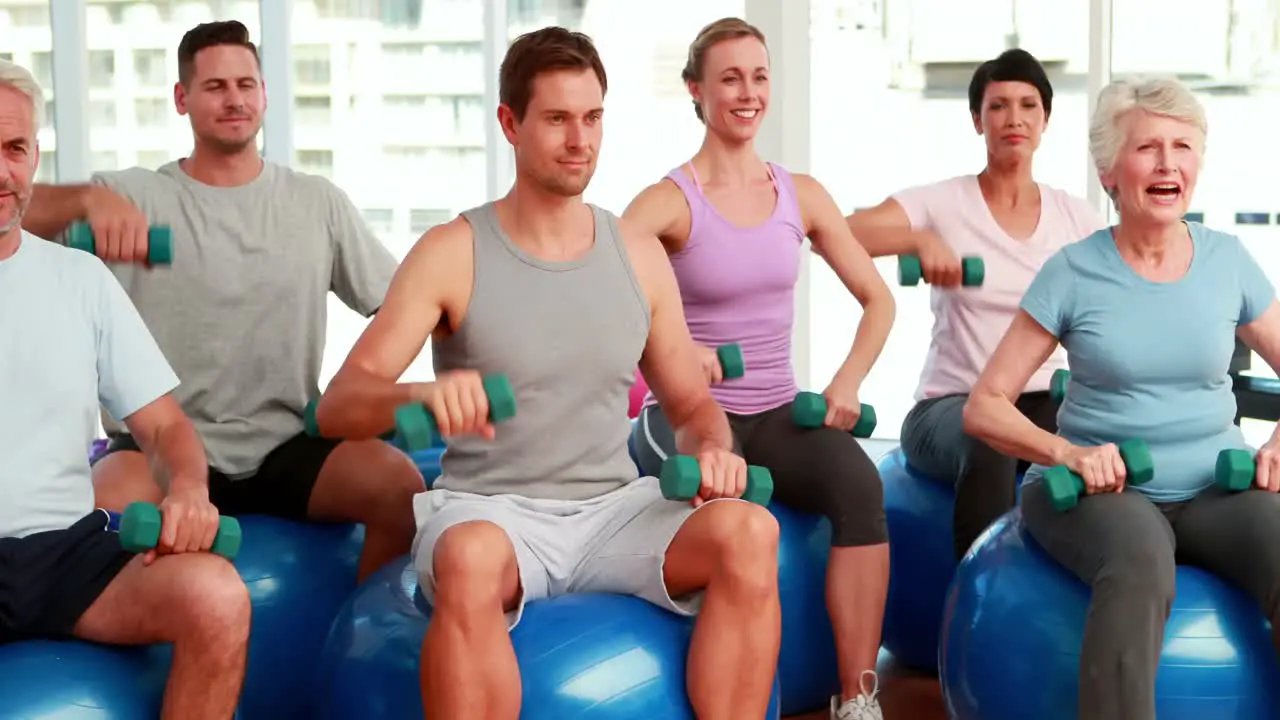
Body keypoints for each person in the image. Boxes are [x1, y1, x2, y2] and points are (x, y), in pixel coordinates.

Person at [315, 26, 782, 719]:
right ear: (510, 123)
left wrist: (713, 448)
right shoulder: (452, 252)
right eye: (558, 119)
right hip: (492, 512)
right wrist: (423, 393)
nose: (580, 140)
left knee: (751, 532)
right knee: (469, 558)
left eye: (592, 118)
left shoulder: (636, 252)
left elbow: (689, 403)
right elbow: (339, 407)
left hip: (613, 512)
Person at [20, 21, 424, 582]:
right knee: (78, 522)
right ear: (182, 99)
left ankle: (345, 646)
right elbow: (13, 211)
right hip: (158, 447)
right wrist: (84, 200)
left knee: (402, 490)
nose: (234, 99)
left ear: (263, 94)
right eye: (214, 87)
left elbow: (406, 306)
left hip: (285, 442)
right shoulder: (133, 197)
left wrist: (369, 391)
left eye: (245, 84)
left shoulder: (317, 203)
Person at [963, 75, 1280, 720]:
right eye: (1148, 148)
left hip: (1212, 487)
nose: (1168, 164)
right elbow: (985, 404)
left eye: (1183, 147)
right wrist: (1068, 455)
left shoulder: (1229, 262)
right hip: (1097, 494)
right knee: (1140, 558)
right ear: (1110, 172)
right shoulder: (1074, 271)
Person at [623, 17, 896, 719]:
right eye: (730, 78)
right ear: (696, 90)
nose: (748, 93)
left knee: (860, 484)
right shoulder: (667, 202)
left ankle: (859, 696)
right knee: (729, 512)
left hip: (776, 409)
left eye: (760, 76)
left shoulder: (800, 195)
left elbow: (877, 300)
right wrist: (676, 355)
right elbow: (603, 297)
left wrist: (845, 382)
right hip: (690, 414)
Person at [0, 59, 249, 719]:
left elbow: (164, 427)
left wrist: (189, 489)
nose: (2, 172)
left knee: (218, 598)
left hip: (65, 551)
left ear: (34, 156)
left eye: (15, 149)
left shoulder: (80, 280)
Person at [846, 49, 1107, 560]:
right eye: (999, 106)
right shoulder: (943, 203)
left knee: (1108, 434)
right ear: (977, 120)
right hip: (951, 407)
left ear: (1045, 120)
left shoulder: (1075, 218)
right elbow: (840, 233)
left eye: (1029, 105)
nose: (1015, 118)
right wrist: (918, 241)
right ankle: (979, 593)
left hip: (1044, 399)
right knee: (991, 439)